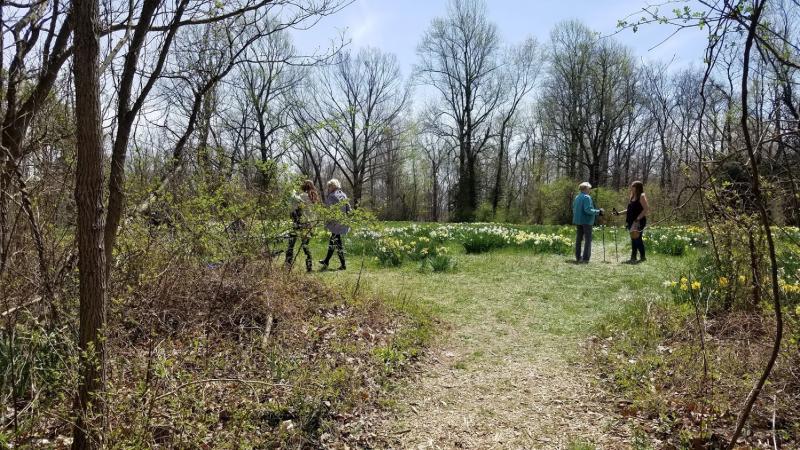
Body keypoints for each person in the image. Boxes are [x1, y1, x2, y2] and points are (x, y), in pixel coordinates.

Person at [285, 180, 319, 272]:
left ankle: (287, 266)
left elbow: (293, 210)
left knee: (291, 245)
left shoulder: (300, 197)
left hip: (299, 223)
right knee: (305, 246)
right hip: (310, 225)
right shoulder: (314, 198)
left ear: (303, 187)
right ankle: (309, 268)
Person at [613, 180, 649, 263]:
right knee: (633, 239)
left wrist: (638, 218)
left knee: (638, 239)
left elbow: (646, 209)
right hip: (631, 221)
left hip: (639, 221)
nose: (631, 187)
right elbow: (629, 210)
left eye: (633, 186)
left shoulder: (641, 196)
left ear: (637, 187)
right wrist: (618, 213)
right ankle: (633, 257)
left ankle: (643, 257)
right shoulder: (632, 196)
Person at [319, 178, 351, 271]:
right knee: (335, 241)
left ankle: (340, 264)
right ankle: (328, 261)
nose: (328, 188)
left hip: (335, 223)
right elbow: (349, 208)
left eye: (329, 186)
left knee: (335, 242)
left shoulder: (332, 196)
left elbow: (329, 211)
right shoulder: (343, 195)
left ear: (332, 186)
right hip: (343, 222)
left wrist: (326, 223)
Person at [572, 182, 604, 263]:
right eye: (589, 189)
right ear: (585, 189)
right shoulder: (587, 197)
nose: (590, 190)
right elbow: (588, 210)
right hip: (586, 221)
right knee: (588, 239)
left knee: (579, 239)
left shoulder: (577, 197)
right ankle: (585, 258)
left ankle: (578, 257)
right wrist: (598, 212)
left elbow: (573, 208)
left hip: (578, 220)